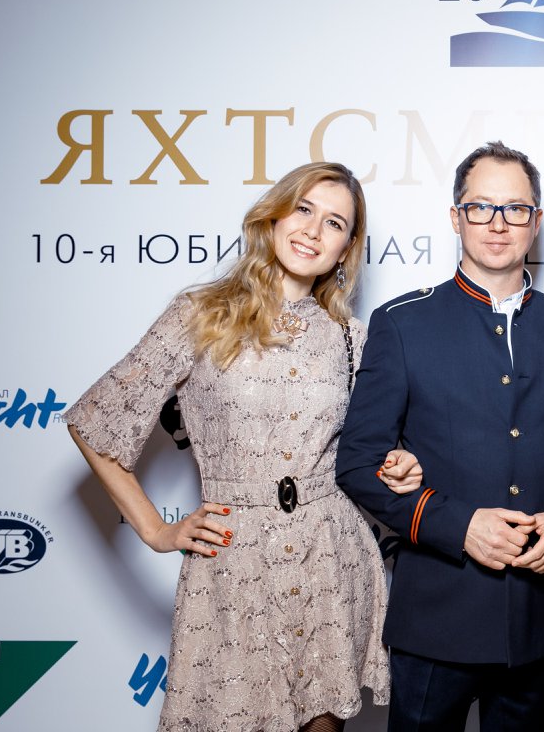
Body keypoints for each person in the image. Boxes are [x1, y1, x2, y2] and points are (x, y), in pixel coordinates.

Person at [66, 162, 389, 732]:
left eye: (335, 223)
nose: (313, 230)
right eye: (304, 209)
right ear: (274, 216)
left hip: (329, 559)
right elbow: (95, 419)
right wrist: (156, 530)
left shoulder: (352, 338)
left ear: (346, 249)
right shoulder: (201, 314)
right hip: (233, 564)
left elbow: (370, 451)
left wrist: (399, 463)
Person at [334, 141, 544, 732]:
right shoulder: (402, 323)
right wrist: (459, 525)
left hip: (539, 624)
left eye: (515, 209)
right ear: (455, 217)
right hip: (435, 620)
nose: (498, 223)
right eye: (481, 207)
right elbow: (358, 462)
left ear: (535, 222)